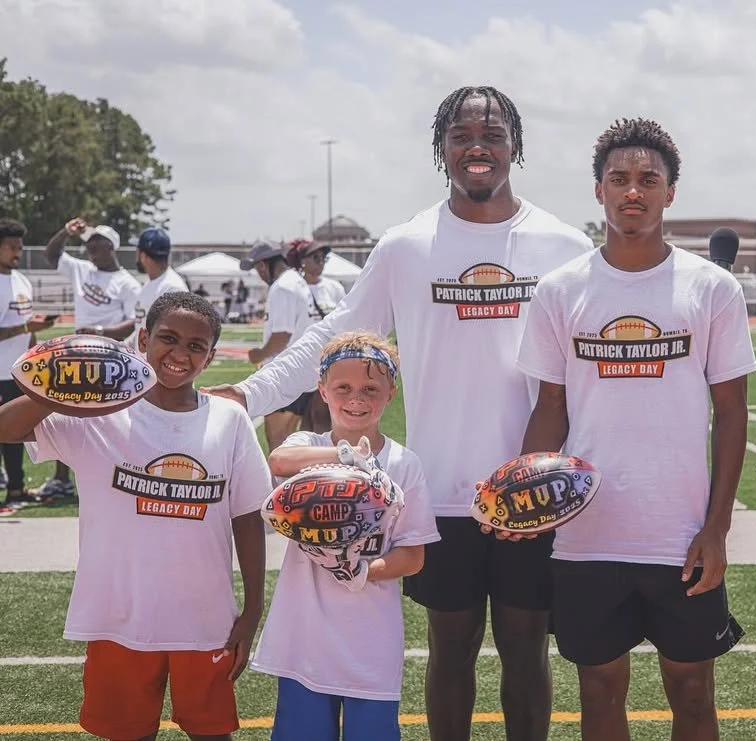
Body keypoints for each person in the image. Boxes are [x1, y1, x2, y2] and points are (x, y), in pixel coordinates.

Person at [204, 85, 593, 741]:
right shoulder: (407, 245)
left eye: (493, 135)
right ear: (441, 149)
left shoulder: (561, 243)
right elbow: (331, 340)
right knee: (450, 651)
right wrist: (250, 393)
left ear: (515, 148)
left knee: (528, 651)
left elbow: (587, 368)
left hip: (530, 493)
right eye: (462, 135)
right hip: (438, 495)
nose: (478, 147)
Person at [515, 118, 756, 741]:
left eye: (649, 179)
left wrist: (716, 527)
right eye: (619, 178)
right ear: (598, 190)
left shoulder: (713, 289)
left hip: (680, 535)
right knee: (598, 695)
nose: (633, 191)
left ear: (670, 193)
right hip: (587, 536)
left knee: (694, 692)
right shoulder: (559, 290)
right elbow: (550, 408)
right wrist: (522, 496)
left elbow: (731, 414)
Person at [0, 291, 268, 740]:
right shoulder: (97, 414)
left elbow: (246, 516)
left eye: (196, 346)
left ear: (211, 356)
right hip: (117, 618)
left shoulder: (229, 419)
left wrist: (253, 609)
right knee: (125, 733)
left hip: (205, 621)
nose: (179, 354)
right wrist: (62, 383)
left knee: (212, 733)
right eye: (167, 338)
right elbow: (5, 426)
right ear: (142, 338)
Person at [251, 331, 440, 741]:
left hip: (371, 640)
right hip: (306, 638)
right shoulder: (310, 444)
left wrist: (360, 570)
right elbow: (280, 459)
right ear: (322, 390)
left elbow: (414, 556)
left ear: (391, 392)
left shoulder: (404, 463)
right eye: (344, 388)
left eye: (371, 388)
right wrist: (345, 455)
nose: (357, 398)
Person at [36, 217, 140, 501]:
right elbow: (51, 255)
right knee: (66, 410)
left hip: (109, 358)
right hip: (77, 355)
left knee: (109, 417)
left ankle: (113, 473)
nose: (90, 248)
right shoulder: (83, 270)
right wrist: (66, 231)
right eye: (89, 243)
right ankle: (61, 479)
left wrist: (98, 331)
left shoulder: (126, 283)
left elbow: (132, 322)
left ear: (110, 246)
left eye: (96, 243)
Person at [0, 218, 56, 513]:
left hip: (17, 372)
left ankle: (16, 490)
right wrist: (24, 327)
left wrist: (36, 356)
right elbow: (18, 326)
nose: (17, 252)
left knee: (17, 433)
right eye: (11, 247)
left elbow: (27, 326)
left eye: (19, 247)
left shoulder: (21, 281)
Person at [240, 239, 314, 452]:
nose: (259, 276)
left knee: (277, 443)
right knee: (288, 441)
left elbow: (282, 335)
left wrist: (259, 354)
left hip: (284, 374)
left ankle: (280, 486)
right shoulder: (297, 282)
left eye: (257, 270)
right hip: (299, 370)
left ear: (263, 265)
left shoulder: (282, 287)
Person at [285, 239, 346, 434]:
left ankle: (323, 459)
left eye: (323, 258)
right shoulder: (292, 287)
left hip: (327, 361)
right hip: (300, 361)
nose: (320, 262)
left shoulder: (334, 288)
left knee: (321, 416)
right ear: (302, 260)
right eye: (316, 257)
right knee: (299, 421)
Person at [123, 227, 190, 348]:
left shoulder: (172, 288)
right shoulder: (151, 283)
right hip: (143, 363)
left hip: (155, 365)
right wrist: (120, 348)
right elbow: (141, 327)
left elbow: (173, 337)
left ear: (143, 255)